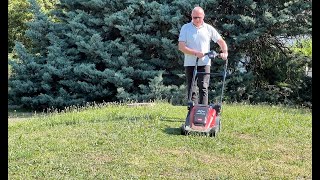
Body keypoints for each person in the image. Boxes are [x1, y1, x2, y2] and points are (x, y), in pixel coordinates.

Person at [178, 6, 228, 105]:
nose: (197, 20)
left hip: (205, 63)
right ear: (191, 16)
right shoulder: (186, 28)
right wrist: (196, 53)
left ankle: (203, 111)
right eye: (194, 17)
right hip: (190, 63)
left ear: (203, 16)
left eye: (199, 17)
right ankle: (192, 112)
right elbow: (181, 47)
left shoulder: (208, 28)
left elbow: (221, 41)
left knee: (203, 87)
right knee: (191, 88)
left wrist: (225, 52)